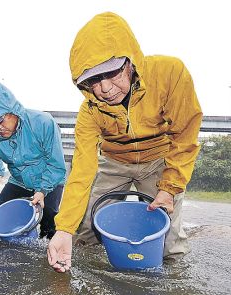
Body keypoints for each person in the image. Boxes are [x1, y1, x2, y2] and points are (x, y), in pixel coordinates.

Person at [47, 12, 203, 272]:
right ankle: (96, 275)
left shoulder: (169, 73)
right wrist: (64, 230)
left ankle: (175, 280)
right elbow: (81, 172)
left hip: (159, 161)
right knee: (85, 227)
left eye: (113, 73)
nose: (106, 89)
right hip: (114, 162)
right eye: (94, 81)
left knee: (169, 241)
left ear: (131, 62)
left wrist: (169, 187)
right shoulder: (89, 112)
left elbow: (185, 136)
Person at [0, 83, 67, 244]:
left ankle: (49, 253)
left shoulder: (43, 123)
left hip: (49, 179)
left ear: (13, 110)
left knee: (49, 216)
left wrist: (42, 190)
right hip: (19, 180)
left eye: (0, 120)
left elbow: (56, 165)